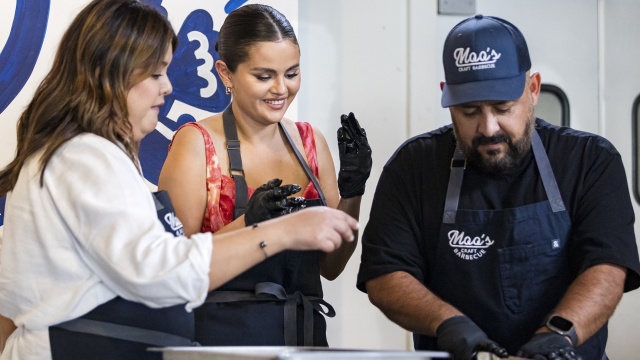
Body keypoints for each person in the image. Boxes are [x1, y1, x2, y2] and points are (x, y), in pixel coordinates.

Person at [0, 1, 358, 359]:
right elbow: (162, 274)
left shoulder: (88, 157)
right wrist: (278, 231)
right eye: (155, 74)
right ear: (109, 74)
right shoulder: (85, 158)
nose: (168, 88)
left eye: (291, 72)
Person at [357, 14, 640, 360]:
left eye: (503, 107)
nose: (488, 127)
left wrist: (558, 333)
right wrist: (449, 323)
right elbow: (385, 273)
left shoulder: (589, 161)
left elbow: (608, 267)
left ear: (533, 89)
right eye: (469, 111)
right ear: (446, 97)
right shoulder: (413, 168)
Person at [157, 3, 372, 347]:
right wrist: (249, 223)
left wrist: (353, 192)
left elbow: (331, 266)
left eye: (291, 73)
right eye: (264, 76)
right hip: (223, 343)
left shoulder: (309, 142)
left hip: (304, 340)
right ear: (225, 73)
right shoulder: (196, 144)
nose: (281, 89)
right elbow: (171, 271)